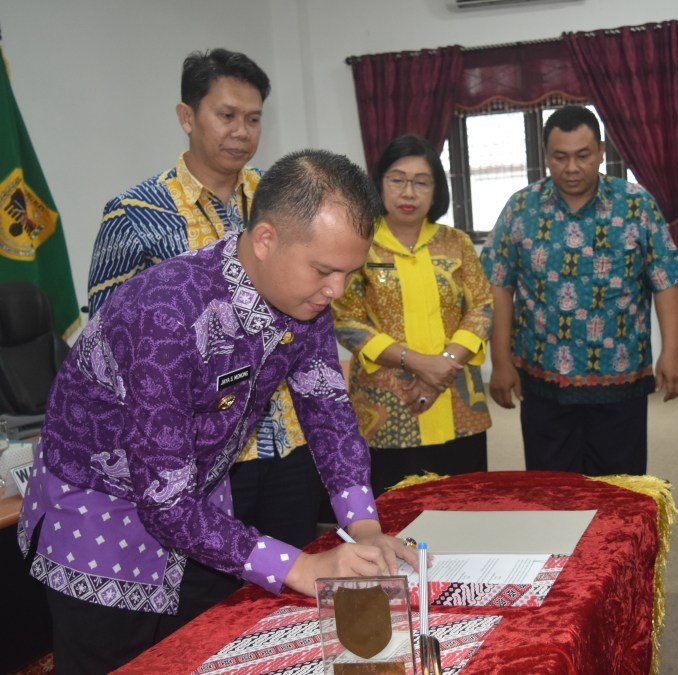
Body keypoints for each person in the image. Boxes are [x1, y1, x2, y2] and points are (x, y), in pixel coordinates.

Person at [17, 149, 419, 673]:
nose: (336, 290)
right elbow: (164, 501)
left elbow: (327, 410)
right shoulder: (166, 315)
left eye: (349, 273)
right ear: (266, 238)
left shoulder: (307, 299)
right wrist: (302, 567)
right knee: (116, 662)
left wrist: (362, 526)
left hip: (198, 502)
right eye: (325, 270)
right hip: (101, 517)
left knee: (208, 651)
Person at [86, 48, 324, 549]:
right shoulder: (135, 214)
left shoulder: (287, 202)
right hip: (197, 457)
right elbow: (112, 342)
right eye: (227, 115)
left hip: (287, 438)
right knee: (217, 591)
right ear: (187, 116)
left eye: (253, 119)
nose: (242, 132)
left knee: (298, 575)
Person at [482, 105, 678, 475]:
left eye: (583, 155)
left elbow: (665, 279)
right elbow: (500, 284)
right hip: (543, 376)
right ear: (545, 156)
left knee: (620, 487)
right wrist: (500, 360)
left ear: (602, 152)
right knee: (552, 487)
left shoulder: (636, 203)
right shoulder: (521, 207)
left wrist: (672, 352)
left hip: (620, 374)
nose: (572, 167)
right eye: (560, 157)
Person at [332, 135, 492, 495]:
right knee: (397, 511)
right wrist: (420, 364)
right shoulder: (359, 243)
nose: (408, 192)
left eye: (421, 182)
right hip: (389, 405)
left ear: (436, 191)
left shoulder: (456, 242)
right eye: (398, 180)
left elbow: (481, 306)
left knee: (466, 504)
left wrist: (443, 365)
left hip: (458, 400)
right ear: (379, 183)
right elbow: (347, 320)